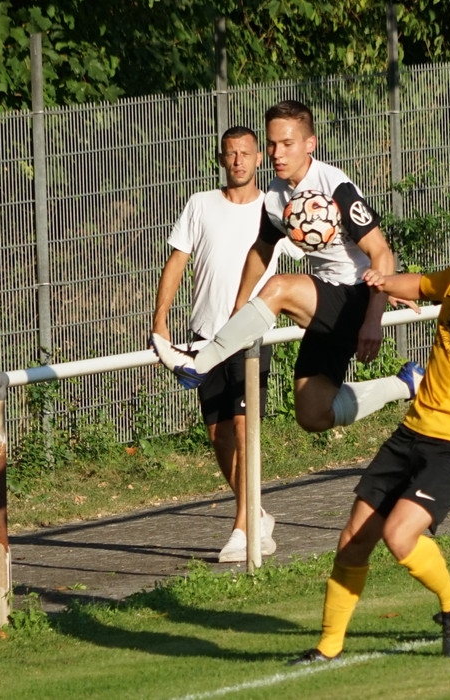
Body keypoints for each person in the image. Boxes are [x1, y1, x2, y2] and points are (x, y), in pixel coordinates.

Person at [288, 200, 450, 665]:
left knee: (400, 536)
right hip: (412, 432)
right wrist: (380, 282)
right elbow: (419, 284)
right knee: (354, 539)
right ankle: (328, 647)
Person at [152, 99, 423, 436]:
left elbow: (382, 253)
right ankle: (406, 383)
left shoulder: (334, 186)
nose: (277, 154)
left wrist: (373, 318)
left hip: (354, 298)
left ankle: (199, 362)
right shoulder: (276, 195)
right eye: (272, 144)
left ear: (310, 144)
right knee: (313, 414)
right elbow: (260, 252)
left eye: (287, 144)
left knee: (279, 288)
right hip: (326, 303)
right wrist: (238, 310)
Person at [151, 125, 297, 562]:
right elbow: (177, 262)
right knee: (218, 434)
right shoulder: (200, 205)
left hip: (251, 336)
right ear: (221, 159)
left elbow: (310, 255)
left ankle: (241, 527)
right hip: (204, 337)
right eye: (231, 154)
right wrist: (160, 319)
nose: (238, 161)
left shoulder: (274, 210)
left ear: (258, 158)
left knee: (243, 427)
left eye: (245, 153)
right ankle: (257, 514)